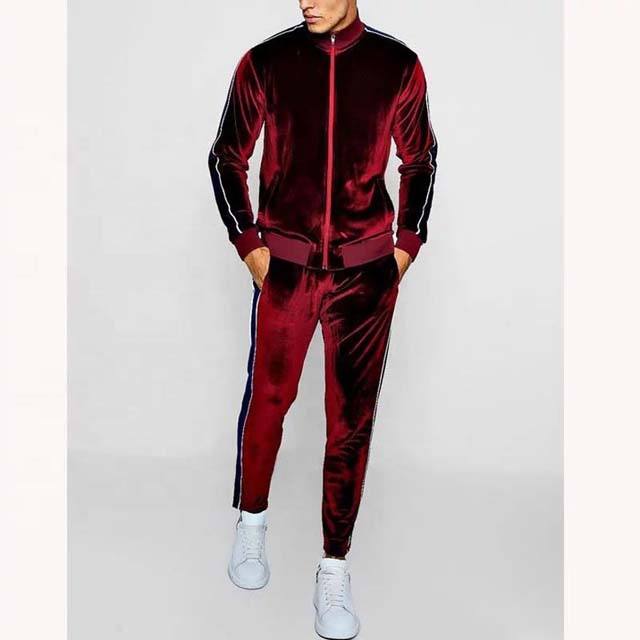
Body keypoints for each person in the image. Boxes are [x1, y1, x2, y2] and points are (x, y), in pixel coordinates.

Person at [208, 1, 437, 637]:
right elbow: (226, 156)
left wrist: (404, 247)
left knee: (351, 424)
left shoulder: (397, 66)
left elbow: (420, 159)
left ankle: (333, 567)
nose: (304, 0)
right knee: (268, 401)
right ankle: (252, 522)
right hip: (286, 269)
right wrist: (250, 245)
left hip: (366, 276)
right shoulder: (265, 62)